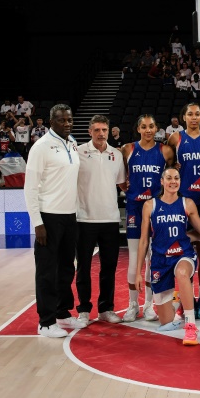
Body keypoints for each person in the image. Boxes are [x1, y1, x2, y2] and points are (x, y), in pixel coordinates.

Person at [23, 104, 83, 338]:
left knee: (67, 268)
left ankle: (62, 313)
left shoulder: (72, 143)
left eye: (69, 120)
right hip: (48, 217)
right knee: (47, 271)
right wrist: (37, 222)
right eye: (61, 120)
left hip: (70, 216)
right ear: (51, 122)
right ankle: (46, 322)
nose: (67, 123)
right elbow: (30, 187)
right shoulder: (41, 147)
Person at [135, 166, 200, 345]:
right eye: (169, 178)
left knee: (182, 273)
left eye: (176, 178)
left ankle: (191, 326)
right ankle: (178, 300)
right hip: (160, 260)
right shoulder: (150, 205)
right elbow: (144, 241)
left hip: (183, 255)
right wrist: (138, 272)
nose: (173, 181)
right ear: (162, 181)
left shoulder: (187, 203)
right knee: (166, 321)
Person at [121, 114, 175, 323]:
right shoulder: (128, 149)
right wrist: (129, 190)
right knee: (135, 258)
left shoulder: (165, 151)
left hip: (156, 209)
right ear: (138, 129)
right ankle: (133, 304)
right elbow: (122, 179)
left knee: (154, 259)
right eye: (144, 127)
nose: (148, 130)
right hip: (135, 208)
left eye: (151, 126)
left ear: (157, 128)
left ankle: (149, 304)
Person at [75, 115, 127, 326]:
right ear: (89, 132)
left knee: (109, 267)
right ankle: (84, 311)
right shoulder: (78, 152)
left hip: (110, 220)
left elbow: (123, 185)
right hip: (84, 219)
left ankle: (106, 308)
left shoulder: (116, 154)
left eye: (104, 129)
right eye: (96, 130)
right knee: (84, 267)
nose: (100, 133)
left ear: (108, 131)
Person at [167, 102, 200, 320]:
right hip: (184, 201)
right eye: (190, 114)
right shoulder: (175, 139)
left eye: (197, 114)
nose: (194, 117)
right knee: (183, 252)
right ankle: (186, 299)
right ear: (184, 117)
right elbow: (167, 166)